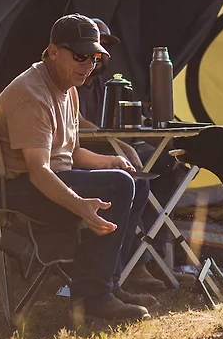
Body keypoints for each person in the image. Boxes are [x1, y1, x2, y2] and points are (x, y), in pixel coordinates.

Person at [0, 14, 155, 322]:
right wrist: (80, 205)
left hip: (46, 179)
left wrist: (111, 161)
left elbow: (70, 153)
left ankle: (108, 285)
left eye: (95, 57)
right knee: (119, 185)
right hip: (18, 190)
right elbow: (38, 171)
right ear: (52, 51)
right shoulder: (31, 94)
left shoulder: (69, 90)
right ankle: (93, 296)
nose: (88, 64)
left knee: (134, 180)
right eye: (80, 55)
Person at [77, 18, 187, 294]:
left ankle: (155, 256)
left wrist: (173, 140)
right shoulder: (72, 83)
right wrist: (119, 145)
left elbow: (129, 119)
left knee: (167, 163)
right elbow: (76, 124)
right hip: (86, 156)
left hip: (114, 148)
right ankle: (136, 267)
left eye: (103, 49)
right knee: (132, 177)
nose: (98, 55)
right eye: (94, 48)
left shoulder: (105, 84)